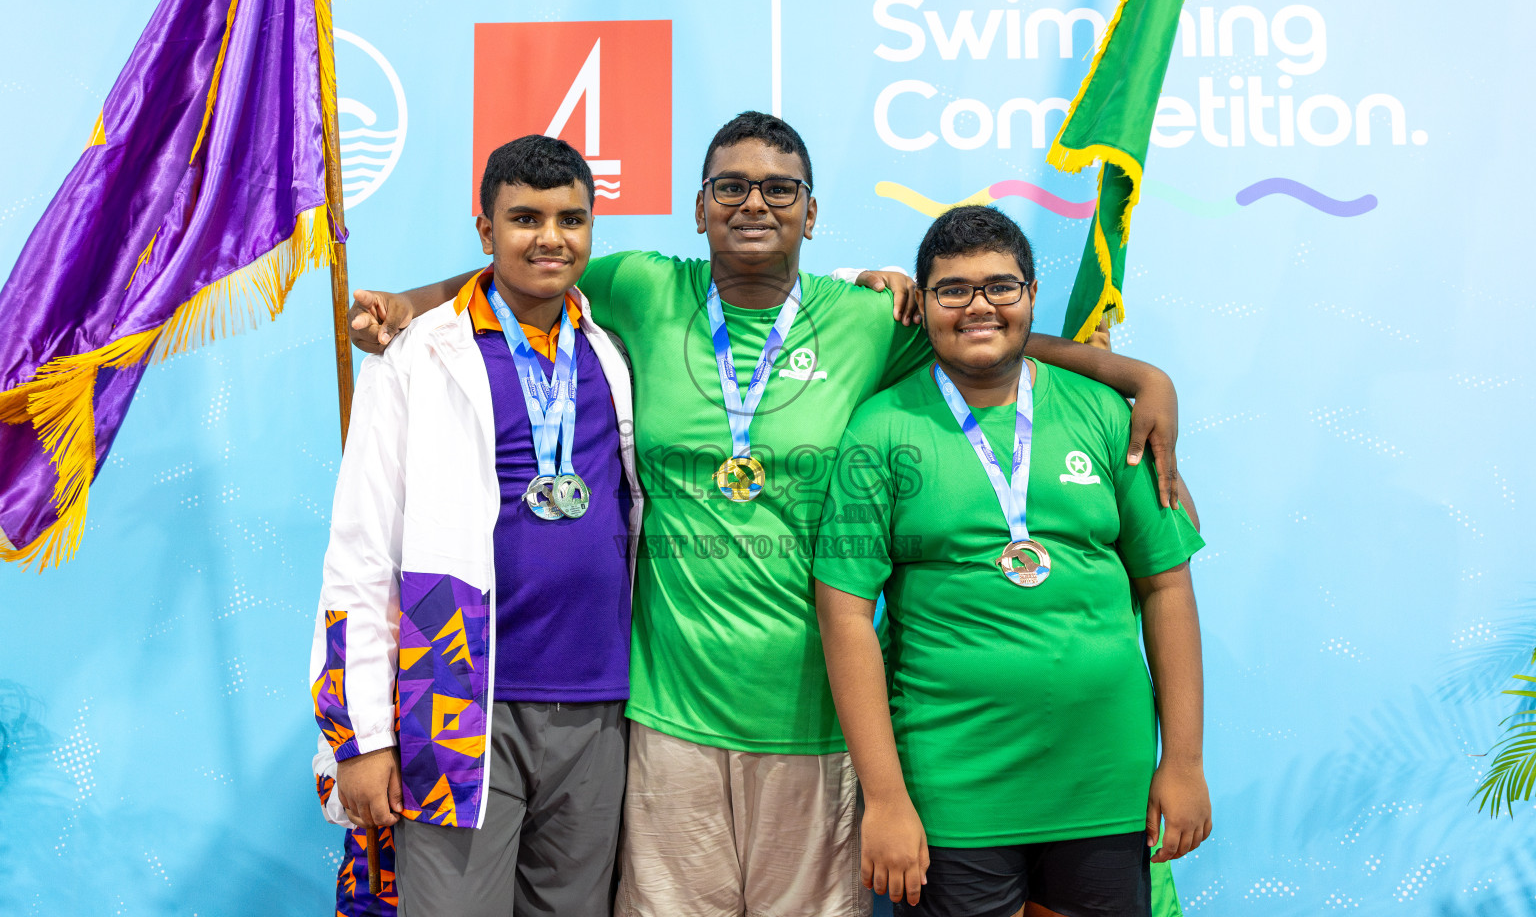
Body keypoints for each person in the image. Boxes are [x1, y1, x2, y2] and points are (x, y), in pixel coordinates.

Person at [346, 111, 1187, 917]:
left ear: (813, 213)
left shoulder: (868, 316)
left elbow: (980, 330)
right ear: (699, 206)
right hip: (666, 715)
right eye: (732, 187)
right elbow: (520, 271)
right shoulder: (638, 286)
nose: (755, 203)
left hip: (817, 720)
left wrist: (1141, 378)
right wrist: (410, 305)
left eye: (781, 190)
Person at [815, 205, 1210, 917]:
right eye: (953, 290)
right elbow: (843, 612)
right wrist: (886, 798)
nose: (979, 307)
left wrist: (1182, 763)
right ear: (925, 304)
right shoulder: (878, 430)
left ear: (1030, 295)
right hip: (953, 792)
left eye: (1001, 287)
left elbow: (1168, 587)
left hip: (1104, 787)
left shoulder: (1111, 416)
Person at [309, 134, 643, 916]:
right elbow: (358, 558)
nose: (550, 238)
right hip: (456, 697)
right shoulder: (420, 358)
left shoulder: (610, 353)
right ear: (485, 232)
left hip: (601, 702)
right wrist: (359, 739)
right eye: (525, 218)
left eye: (571, 219)